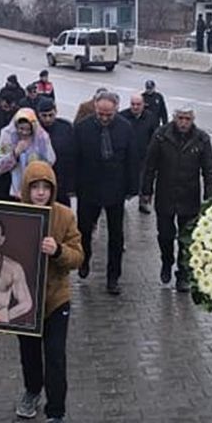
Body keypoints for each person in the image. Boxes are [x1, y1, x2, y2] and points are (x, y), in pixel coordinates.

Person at [14, 161, 82, 423]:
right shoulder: (16, 215)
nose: (40, 193)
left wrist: (58, 251)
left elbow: (78, 257)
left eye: (46, 188)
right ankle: (32, 390)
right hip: (24, 300)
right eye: (35, 187)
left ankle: (56, 415)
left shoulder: (65, 216)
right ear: (27, 189)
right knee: (29, 353)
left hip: (56, 298)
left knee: (55, 357)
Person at [141, 106, 212, 292]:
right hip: (165, 195)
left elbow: (209, 169)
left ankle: (182, 273)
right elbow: (150, 165)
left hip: (189, 196)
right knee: (165, 235)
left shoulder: (201, 139)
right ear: (175, 118)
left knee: (187, 239)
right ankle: (166, 261)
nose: (184, 122)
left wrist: (211, 196)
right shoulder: (161, 135)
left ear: (193, 119)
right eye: (181, 118)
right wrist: (146, 191)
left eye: (187, 119)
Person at [73, 91, 138, 295]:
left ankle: (113, 278)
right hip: (88, 189)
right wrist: (73, 186)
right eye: (100, 113)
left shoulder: (125, 128)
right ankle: (85, 261)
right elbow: (74, 158)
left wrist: (132, 188)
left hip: (115, 190)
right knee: (84, 230)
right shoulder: (82, 128)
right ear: (95, 108)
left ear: (116, 109)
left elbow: (132, 160)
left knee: (116, 237)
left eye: (108, 115)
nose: (104, 118)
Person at [0, 108, 56, 199]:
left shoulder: (41, 138)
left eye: (28, 130)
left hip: (34, 187)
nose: (24, 132)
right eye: (21, 129)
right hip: (8, 186)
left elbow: (50, 161)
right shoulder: (7, 136)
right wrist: (15, 154)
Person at [121, 93, 158, 214]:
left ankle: (144, 202)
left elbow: (155, 137)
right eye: (133, 104)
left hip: (144, 156)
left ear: (143, 105)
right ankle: (121, 200)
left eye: (138, 104)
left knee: (145, 181)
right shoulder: (122, 116)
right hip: (126, 156)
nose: (135, 107)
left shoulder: (151, 118)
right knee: (124, 179)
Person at [35, 98, 76, 207]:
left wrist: (71, 185)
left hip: (61, 181)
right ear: (38, 115)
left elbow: (73, 157)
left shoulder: (66, 128)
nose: (47, 119)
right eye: (44, 116)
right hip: (40, 181)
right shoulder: (33, 129)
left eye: (50, 115)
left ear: (55, 112)